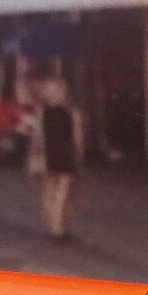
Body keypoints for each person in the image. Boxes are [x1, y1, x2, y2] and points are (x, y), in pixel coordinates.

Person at [24, 74, 84, 243]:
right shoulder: (70, 112)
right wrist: (79, 154)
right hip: (60, 155)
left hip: (52, 155)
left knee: (52, 192)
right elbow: (78, 137)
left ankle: (55, 226)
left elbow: (32, 133)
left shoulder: (41, 112)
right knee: (59, 192)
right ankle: (57, 227)